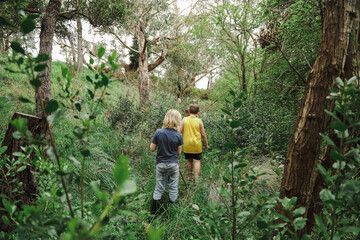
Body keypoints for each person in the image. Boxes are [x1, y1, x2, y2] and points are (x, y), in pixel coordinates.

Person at [149, 109, 183, 215]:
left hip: (161, 164)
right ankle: (170, 211)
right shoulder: (178, 135)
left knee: (159, 186)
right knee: (173, 186)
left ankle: (153, 213)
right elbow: (179, 153)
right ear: (178, 120)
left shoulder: (158, 132)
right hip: (173, 164)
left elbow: (152, 149)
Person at [179, 104, 208, 183]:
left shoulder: (184, 119)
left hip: (187, 145)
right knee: (197, 161)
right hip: (196, 145)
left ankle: (189, 177)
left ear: (189, 111)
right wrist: (206, 144)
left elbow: (179, 132)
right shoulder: (199, 121)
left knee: (189, 160)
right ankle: (196, 179)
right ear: (197, 112)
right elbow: (203, 135)